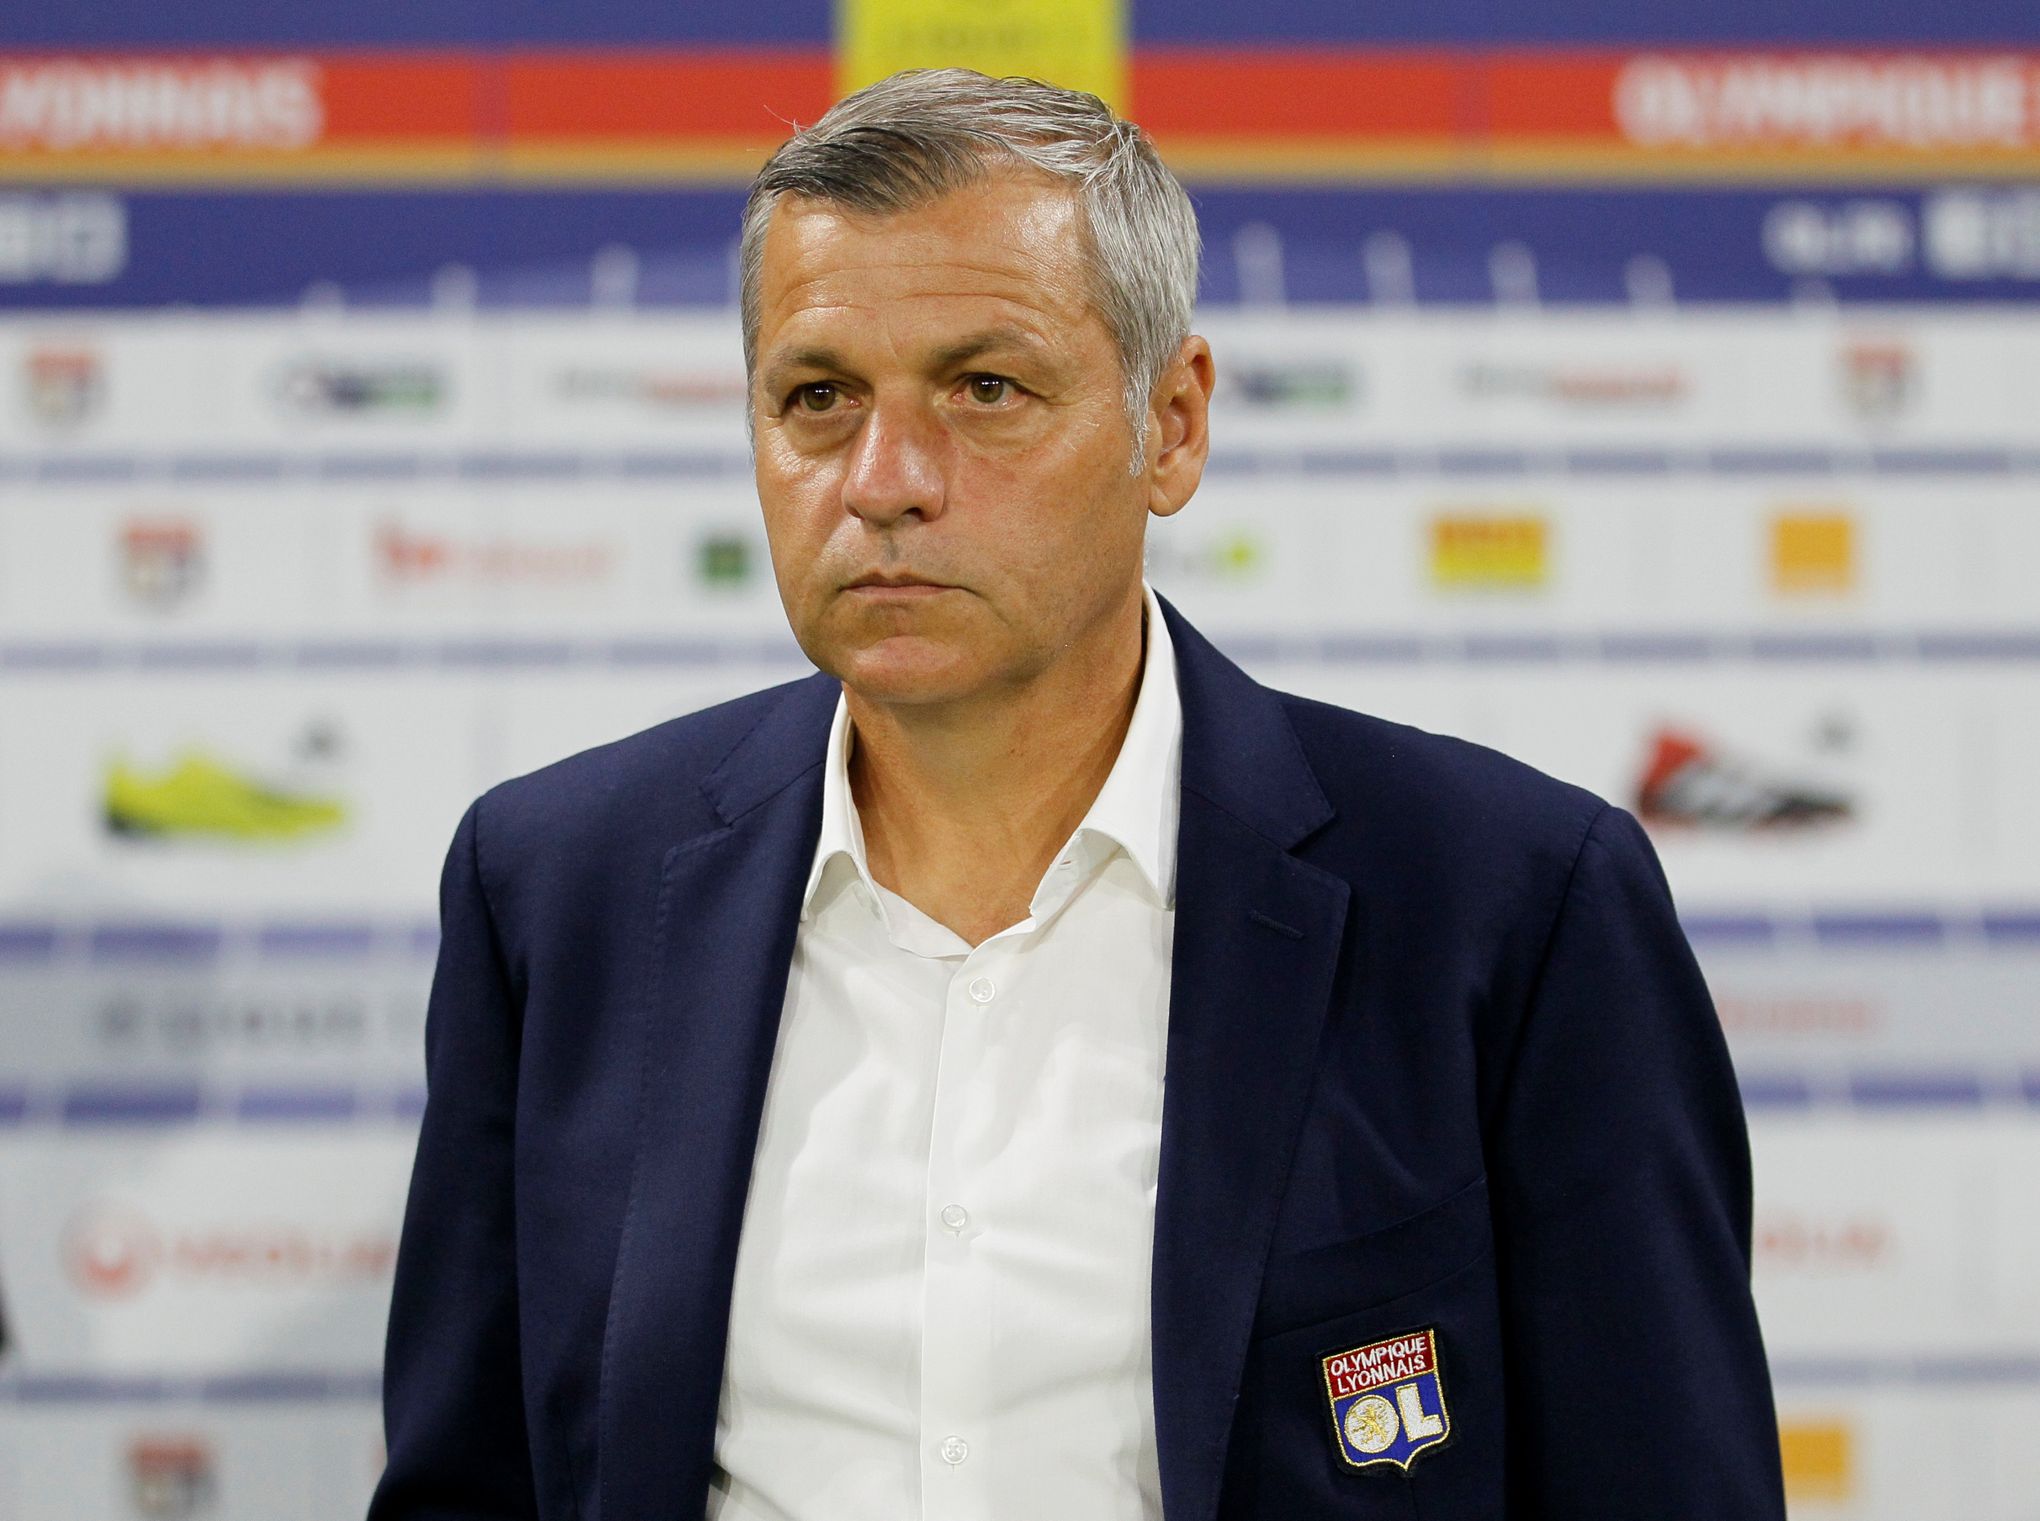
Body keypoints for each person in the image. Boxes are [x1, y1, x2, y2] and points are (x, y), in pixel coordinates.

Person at [369, 68, 1785, 1521]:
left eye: (985, 389)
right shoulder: (557, 889)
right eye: (819, 397)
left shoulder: (1512, 906)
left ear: (1171, 424)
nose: (885, 480)